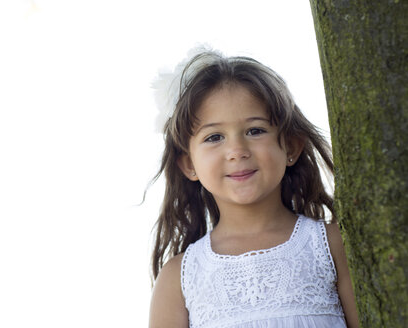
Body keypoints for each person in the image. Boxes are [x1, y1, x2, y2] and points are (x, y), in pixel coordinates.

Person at [148, 46, 359, 327]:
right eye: (214, 137)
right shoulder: (179, 278)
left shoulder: (332, 246)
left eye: (255, 131)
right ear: (189, 165)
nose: (236, 150)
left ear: (291, 147)